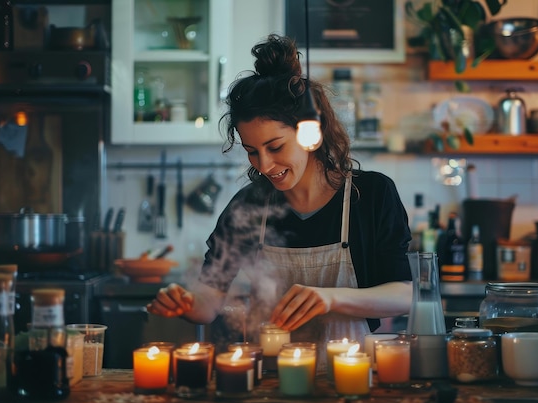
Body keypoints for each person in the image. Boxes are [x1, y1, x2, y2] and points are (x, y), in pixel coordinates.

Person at [147, 34, 413, 371]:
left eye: (275, 147)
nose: (264, 165)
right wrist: (182, 302)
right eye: (251, 151)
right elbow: (208, 303)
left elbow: (403, 295)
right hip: (269, 380)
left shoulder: (370, 196)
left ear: (309, 133)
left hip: (349, 377)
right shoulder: (249, 207)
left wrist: (330, 298)